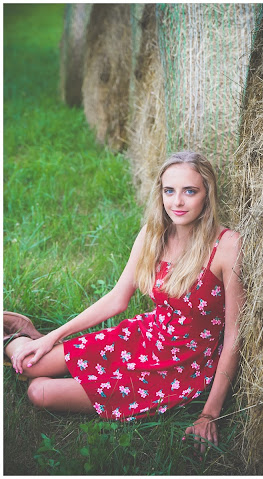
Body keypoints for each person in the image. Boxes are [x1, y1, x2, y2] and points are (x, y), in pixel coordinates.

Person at [4, 151, 244, 453]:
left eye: (190, 191)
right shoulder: (153, 235)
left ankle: (20, 339)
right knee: (27, 364)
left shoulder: (227, 247)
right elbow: (117, 299)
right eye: (169, 191)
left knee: (38, 392)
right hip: (144, 337)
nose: (177, 202)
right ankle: (21, 337)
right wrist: (51, 336)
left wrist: (209, 414)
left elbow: (234, 336)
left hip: (181, 368)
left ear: (207, 194)